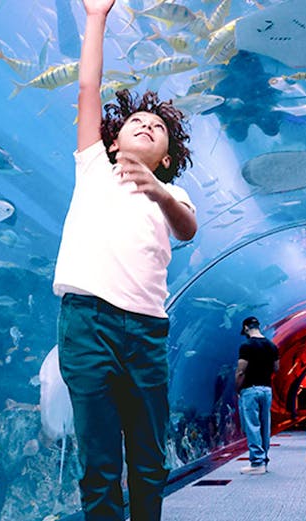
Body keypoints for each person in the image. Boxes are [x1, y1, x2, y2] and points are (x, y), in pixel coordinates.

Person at [52, 0, 197, 518]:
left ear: (168, 158)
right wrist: (96, 18)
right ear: (113, 141)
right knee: (99, 459)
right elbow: (88, 89)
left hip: (145, 331)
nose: (146, 126)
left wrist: (157, 190)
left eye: (157, 128)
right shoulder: (93, 165)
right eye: (136, 121)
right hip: (86, 321)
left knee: (148, 458)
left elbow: (188, 227)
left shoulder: (173, 195)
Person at [235, 316, 280, 475]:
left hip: (250, 390)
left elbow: (241, 371)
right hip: (266, 389)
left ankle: (257, 463)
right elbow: (276, 368)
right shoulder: (272, 346)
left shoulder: (246, 346)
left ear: (246, 328)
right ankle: (263, 459)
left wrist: (237, 388)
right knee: (265, 426)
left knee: (252, 426)